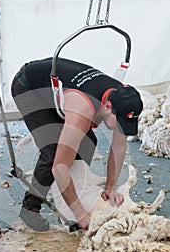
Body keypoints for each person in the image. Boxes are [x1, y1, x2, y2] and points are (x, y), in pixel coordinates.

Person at [11, 57, 143, 232]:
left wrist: (110, 188)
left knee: (89, 142)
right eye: (119, 122)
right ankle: (30, 209)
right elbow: (59, 167)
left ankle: (73, 195)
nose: (122, 128)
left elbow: (118, 147)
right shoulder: (82, 109)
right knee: (52, 154)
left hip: (62, 89)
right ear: (108, 106)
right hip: (29, 86)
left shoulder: (121, 99)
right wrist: (80, 214)